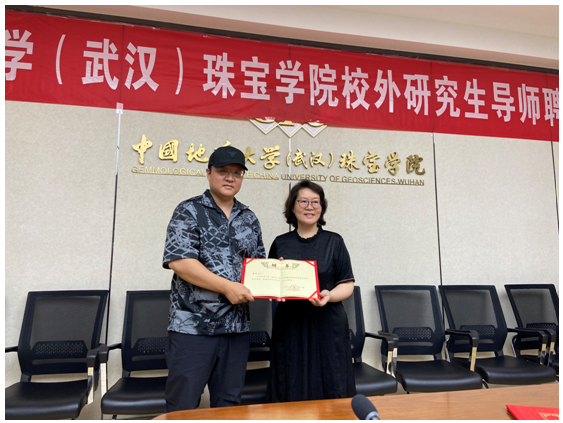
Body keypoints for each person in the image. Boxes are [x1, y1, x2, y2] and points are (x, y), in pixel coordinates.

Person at [162, 145, 266, 412]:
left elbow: (257, 267)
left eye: (237, 173)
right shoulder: (189, 210)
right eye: (222, 171)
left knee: (229, 407)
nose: (230, 178)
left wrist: (279, 279)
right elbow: (180, 262)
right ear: (208, 173)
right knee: (183, 406)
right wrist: (227, 287)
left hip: (236, 329)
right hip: (193, 328)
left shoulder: (249, 218)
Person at [267, 180, 356, 402]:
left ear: (322, 207)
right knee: (290, 378)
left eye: (315, 202)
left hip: (328, 323)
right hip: (290, 324)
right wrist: (273, 287)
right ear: (292, 206)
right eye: (303, 201)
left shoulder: (334, 241)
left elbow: (347, 284)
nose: (310, 207)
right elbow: (271, 282)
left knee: (331, 379)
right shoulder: (280, 243)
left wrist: (330, 295)